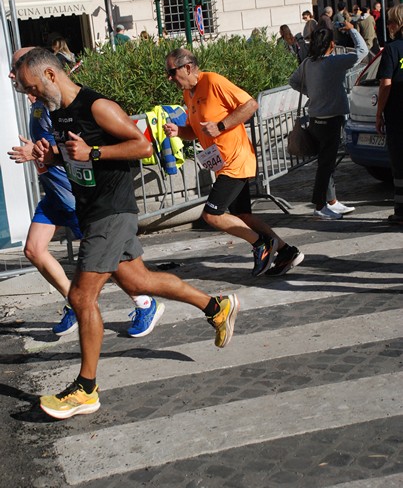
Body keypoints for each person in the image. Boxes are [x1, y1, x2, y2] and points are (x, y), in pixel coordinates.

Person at [15, 47, 239, 419]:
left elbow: (143, 146)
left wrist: (94, 153)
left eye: (31, 87)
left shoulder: (98, 106)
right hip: (92, 212)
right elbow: (78, 153)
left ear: (51, 75)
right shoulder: (59, 112)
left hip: (111, 213)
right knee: (140, 282)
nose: (30, 96)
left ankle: (86, 388)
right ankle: (217, 307)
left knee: (82, 297)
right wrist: (53, 156)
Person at [8, 48, 165, 340]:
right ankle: (77, 302)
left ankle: (143, 303)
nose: (14, 76)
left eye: (18, 68)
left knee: (113, 264)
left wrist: (50, 152)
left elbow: (129, 146)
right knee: (34, 249)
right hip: (55, 192)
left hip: (77, 193)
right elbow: (59, 148)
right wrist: (43, 153)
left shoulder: (66, 101)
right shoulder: (42, 103)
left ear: (42, 71)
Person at [163, 48, 304, 278]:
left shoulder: (213, 81)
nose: (169, 78)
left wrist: (221, 125)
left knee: (211, 215)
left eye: (171, 72)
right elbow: (197, 131)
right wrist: (179, 131)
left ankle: (261, 245)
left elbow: (250, 105)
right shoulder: (189, 94)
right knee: (243, 216)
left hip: (236, 160)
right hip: (222, 163)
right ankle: (287, 252)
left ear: (187, 67)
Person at [289, 22, 368, 220]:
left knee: (326, 162)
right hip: (331, 120)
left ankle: (332, 201)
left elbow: (293, 81)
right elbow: (362, 50)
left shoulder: (307, 63)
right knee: (326, 165)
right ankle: (319, 205)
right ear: (331, 45)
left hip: (315, 119)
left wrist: (312, 93)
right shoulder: (335, 62)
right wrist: (351, 29)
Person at [376, 4, 403, 224]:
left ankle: (401, 213)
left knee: (400, 164)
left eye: (391, 21)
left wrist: (379, 113)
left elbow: (385, 85)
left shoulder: (392, 50)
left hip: (398, 116)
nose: (388, 26)